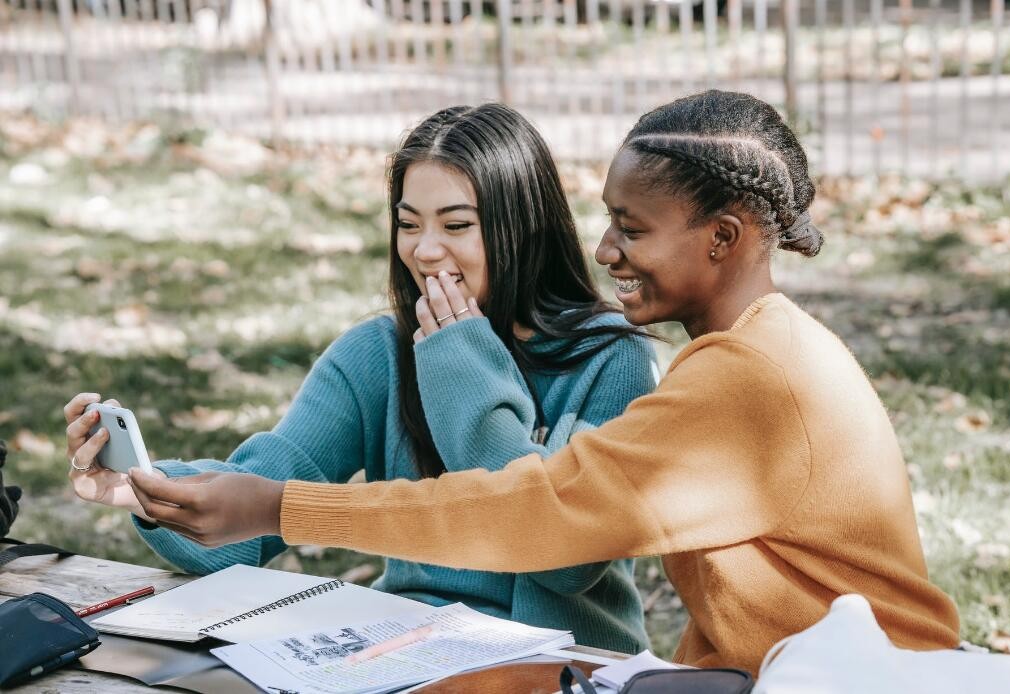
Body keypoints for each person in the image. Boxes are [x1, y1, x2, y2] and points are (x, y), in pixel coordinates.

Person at [119, 90, 962, 674]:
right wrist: (146, 484)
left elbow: (541, 521)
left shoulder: (739, 375)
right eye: (408, 225)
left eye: (631, 229)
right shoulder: (741, 356)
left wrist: (291, 503)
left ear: (723, 237)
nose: (606, 252)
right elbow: (253, 489)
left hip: (866, 677)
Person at [63, 103, 659, 654]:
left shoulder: (610, 359)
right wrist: (143, 489)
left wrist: (460, 368)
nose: (424, 251)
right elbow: (258, 505)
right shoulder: (378, 352)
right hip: (412, 648)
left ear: (522, 228)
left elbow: (561, 552)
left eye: (456, 225)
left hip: (567, 661)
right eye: (408, 224)